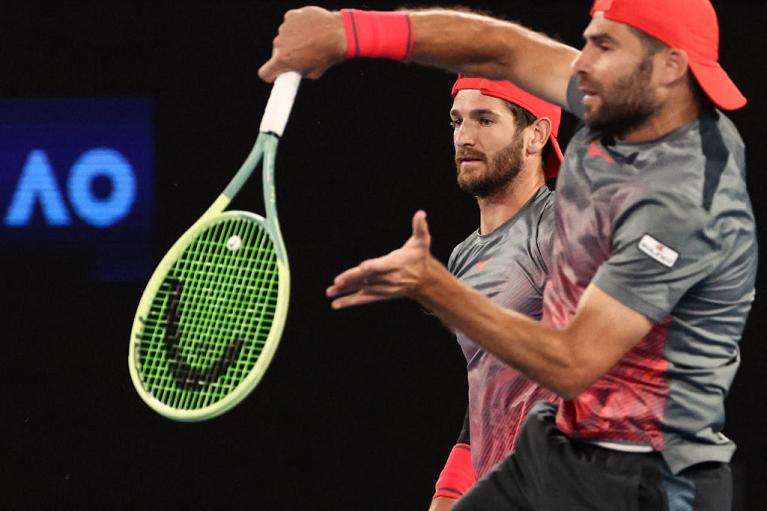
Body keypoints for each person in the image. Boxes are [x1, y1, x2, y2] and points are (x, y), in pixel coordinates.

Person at [260, 1, 757, 509]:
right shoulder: (633, 103)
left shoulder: (681, 201)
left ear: (669, 68)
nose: (580, 62)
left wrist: (434, 287)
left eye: (604, 46)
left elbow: (570, 363)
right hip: (556, 465)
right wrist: (348, 30)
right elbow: (504, 51)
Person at [429, 77, 563, 511]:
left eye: (485, 120)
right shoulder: (462, 259)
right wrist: (447, 495)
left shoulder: (564, 227)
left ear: (535, 136)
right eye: (457, 121)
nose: (464, 137)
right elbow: (485, 395)